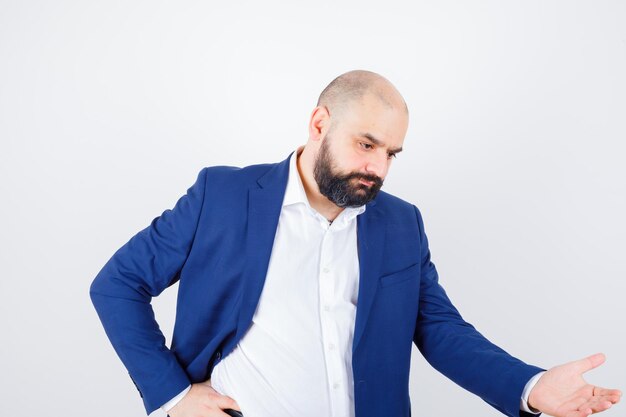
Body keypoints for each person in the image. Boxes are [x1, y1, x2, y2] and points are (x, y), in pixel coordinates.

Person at [90, 70, 621, 417]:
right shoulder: (223, 195)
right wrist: (174, 396)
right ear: (319, 123)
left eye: (392, 153)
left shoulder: (401, 224)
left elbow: (439, 329)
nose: (377, 168)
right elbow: (117, 284)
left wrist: (530, 387)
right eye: (366, 144)